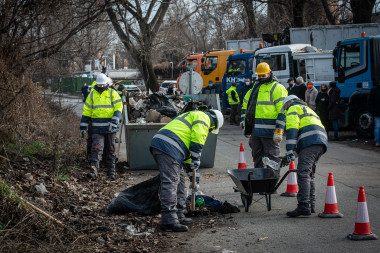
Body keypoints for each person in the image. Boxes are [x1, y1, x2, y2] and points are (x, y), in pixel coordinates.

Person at [150, 109, 224, 232]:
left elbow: (190, 162)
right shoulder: (203, 118)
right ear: (214, 123)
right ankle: (169, 221)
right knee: (171, 183)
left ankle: (179, 214)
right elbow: (197, 140)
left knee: (179, 181)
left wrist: (195, 181)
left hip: (165, 144)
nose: (210, 131)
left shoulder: (193, 115)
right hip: (169, 147)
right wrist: (196, 158)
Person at [275, 95, 327, 217]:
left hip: (311, 141)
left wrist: (289, 150)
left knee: (303, 173)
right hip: (320, 142)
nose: (285, 110)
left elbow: (293, 131)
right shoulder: (308, 109)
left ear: (288, 103)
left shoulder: (293, 109)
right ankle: (311, 205)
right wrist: (293, 153)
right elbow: (304, 137)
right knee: (309, 174)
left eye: (285, 107)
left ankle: (304, 206)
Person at [244, 62, 288, 169]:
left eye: (263, 75)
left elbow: (283, 111)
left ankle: (272, 180)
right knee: (257, 155)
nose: (261, 77)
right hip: (256, 130)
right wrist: (247, 125)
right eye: (259, 76)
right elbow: (249, 106)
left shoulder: (277, 88)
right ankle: (260, 178)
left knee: (272, 156)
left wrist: (279, 130)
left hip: (270, 131)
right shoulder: (256, 87)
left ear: (269, 73)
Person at [80, 73, 123, 180]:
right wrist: (83, 126)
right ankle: (94, 170)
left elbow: (119, 107)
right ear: (96, 84)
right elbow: (87, 111)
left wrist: (115, 120)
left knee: (110, 150)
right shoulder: (92, 95)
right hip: (97, 128)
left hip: (110, 128)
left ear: (106, 83)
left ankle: (111, 172)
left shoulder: (113, 93)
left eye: (103, 85)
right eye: (99, 85)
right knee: (96, 149)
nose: (101, 87)